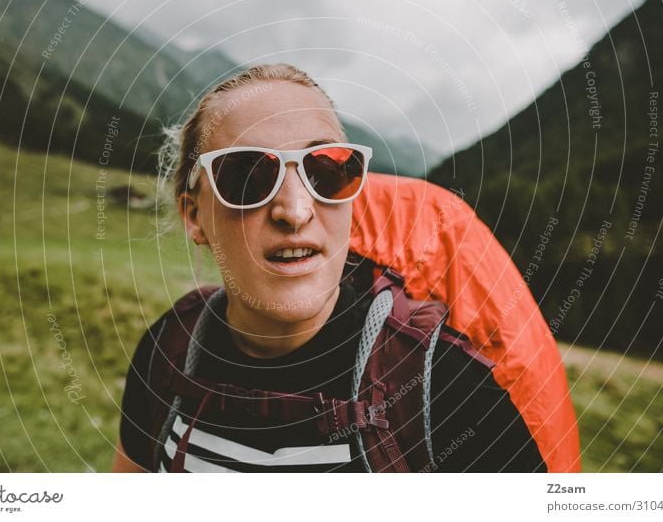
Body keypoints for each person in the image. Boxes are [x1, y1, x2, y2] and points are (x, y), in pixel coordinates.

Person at [112, 63, 546, 473]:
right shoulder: (168, 349)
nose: (295, 211)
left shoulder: (444, 387)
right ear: (194, 216)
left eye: (326, 171)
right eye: (246, 176)